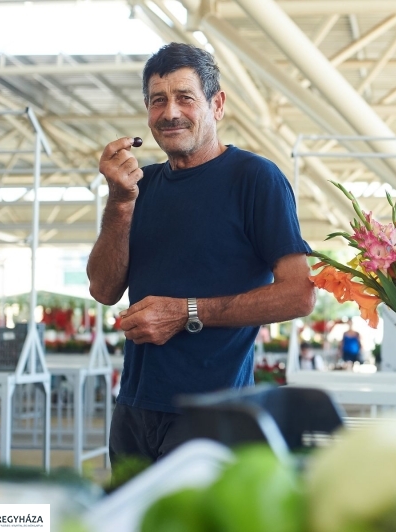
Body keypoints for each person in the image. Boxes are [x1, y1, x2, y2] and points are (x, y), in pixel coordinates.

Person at [86, 43, 315, 466]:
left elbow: (299, 294)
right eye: (158, 101)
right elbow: (103, 288)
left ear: (217, 104)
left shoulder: (255, 179)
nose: (170, 112)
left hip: (214, 414)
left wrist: (185, 311)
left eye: (185, 98)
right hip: (134, 408)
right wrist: (119, 201)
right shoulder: (140, 186)